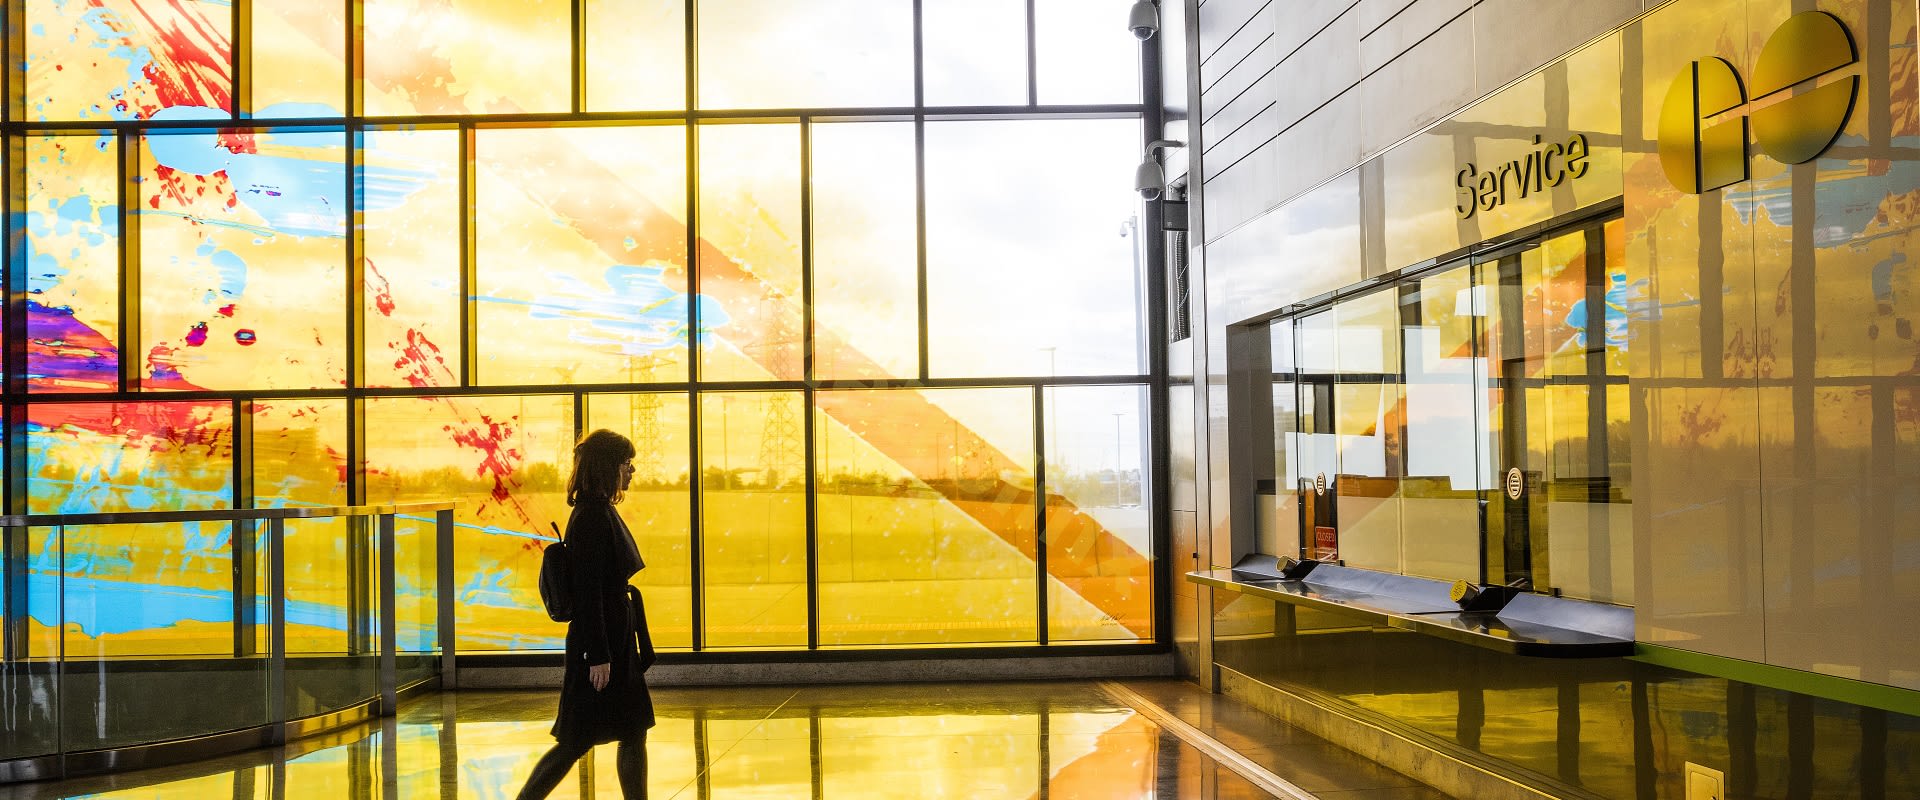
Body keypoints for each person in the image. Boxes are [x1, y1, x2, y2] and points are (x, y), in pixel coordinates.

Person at [517, 429, 656, 799]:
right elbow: (590, 591)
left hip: (611, 640)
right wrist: (598, 656)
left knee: (630, 731)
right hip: (602, 644)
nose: (632, 471)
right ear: (610, 467)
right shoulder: (593, 517)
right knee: (575, 740)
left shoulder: (595, 511)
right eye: (627, 464)